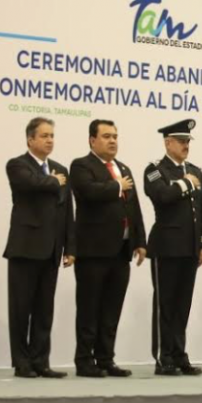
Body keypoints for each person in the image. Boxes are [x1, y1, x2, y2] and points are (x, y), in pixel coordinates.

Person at [69, 119, 146, 378]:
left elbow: (133, 206)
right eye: (106, 136)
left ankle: (105, 359)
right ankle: (84, 361)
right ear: (92, 140)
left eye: (115, 136)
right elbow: (88, 192)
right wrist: (116, 186)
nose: (112, 141)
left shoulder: (122, 168)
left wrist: (140, 242)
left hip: (121, 251)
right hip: (93, 251)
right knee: (89, 309)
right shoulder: (81, 166)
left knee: (111, 310)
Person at [4, 117, 74, 378]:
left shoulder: (59, 169)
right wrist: (54, 182)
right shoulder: (18, 165)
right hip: (25, 248)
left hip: (52, 250)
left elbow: (67, 211)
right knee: (21, 309)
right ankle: (22, 363)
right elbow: (30, 185)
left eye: (52, 135)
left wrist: (70, 246)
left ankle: (41, 361)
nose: (49, 140)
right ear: (30, 139)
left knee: (44, 309)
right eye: (44, 135)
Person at [143, 119, 202, 376]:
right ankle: (164, 357)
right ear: (167, 142)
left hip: (190, 248)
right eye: (181, 141)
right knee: (166, 304)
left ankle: (180, 355)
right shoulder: (155, 169)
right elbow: (161, 195)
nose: (185, 146)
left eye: (188, 141)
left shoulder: (195, 170)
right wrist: (186, 184)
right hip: (166, 246)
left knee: (183, 305)